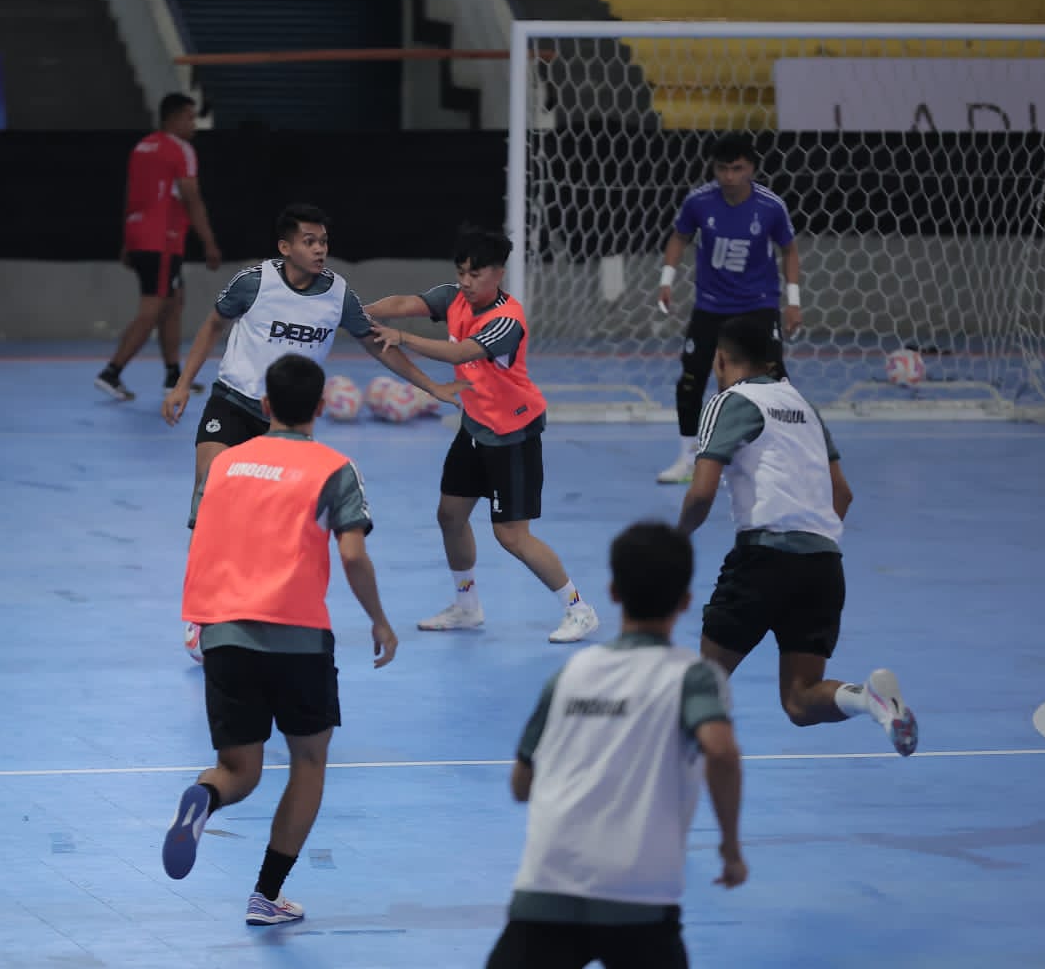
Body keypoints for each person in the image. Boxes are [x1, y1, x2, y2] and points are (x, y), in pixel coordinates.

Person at [161, 353, 399, 927]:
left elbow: (202, 539)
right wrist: (379, 619)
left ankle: (205, 798)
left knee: (238, 769)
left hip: (223, 632)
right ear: (320, 408)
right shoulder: (334, 467)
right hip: (297, 636)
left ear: (265, 406)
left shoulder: (224, 466)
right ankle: (266, 895)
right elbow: (352, 554)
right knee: (309, 761)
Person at [164, 202, 461, 661]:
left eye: (323, 241)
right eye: (309, 241)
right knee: (209, 493)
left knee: (270, 519)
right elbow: (212, 326)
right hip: (234, 402)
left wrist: (432, 386)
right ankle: (200, 613)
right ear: (285, 247)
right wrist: (183, 383)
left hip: (287, 421)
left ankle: (261, 603)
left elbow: (379, 347)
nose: (320, 249)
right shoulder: (254, 282)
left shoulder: (337, 295)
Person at [487, 521, 744, 969]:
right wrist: (730, 847)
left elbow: (520, 784)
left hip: (548, 889)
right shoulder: (693, 676)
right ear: (685, 602)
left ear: (613, 591)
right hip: (640, 898)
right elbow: (720, 751)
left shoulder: (570, 674)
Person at [676, 311, 918, 756]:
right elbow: (841, 493)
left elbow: (701, 493)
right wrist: (812, 540)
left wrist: (676, 541)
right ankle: (868, 699)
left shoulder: (730, 400)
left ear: (722, 360)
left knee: (701, 685)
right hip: (824, 565)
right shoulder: (804, 407)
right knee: (800, 700)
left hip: (763, 560)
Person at [366, 223, 599, 644]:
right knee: (450, 516)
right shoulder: (454, 296)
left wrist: (401, 337)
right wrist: (363, 311)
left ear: (499, 273)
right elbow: (405, 302)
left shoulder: (507, 320)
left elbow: (461, 352)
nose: (467, 282)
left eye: (476, 274)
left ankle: (578, 608)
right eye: (462, 272)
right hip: (475, 425)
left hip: (513, 433)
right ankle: (467, 606)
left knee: (511, 535)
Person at [656, 132, 802, 484]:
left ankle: (779, 454)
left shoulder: (770, 206)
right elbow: (680, 235)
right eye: (723, 169)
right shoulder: (699, 202)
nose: (730, 177)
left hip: (758, 305)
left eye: (737, 169)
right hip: (711, 305)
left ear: (751, 168)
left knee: (772, 381)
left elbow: (790, 250)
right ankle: (688, 457)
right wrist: (666, 278)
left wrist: (793, 301)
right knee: (691, 379)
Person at [95, 92, 222, 402]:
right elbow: (192, 199)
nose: (194, 124)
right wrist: (209, 243)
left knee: (174, 302)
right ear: (174, 118)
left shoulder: (142, 147)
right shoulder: (181, 150)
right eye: (190, 118)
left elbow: (132, 194)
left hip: (140, 236)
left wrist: (128, 241)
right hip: (162, 240)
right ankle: (111, 372)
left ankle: (173, 376)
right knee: (152, 309)